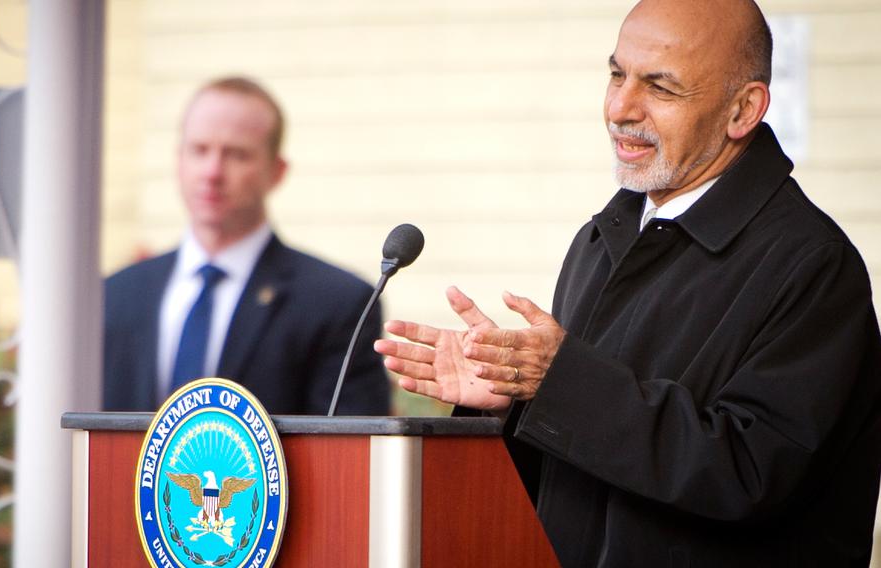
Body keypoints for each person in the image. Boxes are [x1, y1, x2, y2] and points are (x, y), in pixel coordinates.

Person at [374, 0, 881, 566]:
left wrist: (559, 383)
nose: (620, 107)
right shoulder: (603, 238)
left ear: (743, 110)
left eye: (660, 87)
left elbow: (752, 473)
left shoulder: (812, 265)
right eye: (617, 74)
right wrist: (508, 403)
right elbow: (575, 481)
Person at [104, 76, 389, 415]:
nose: (212, 171)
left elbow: (348, 456)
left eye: (236, 155)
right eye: (199, 150)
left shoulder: (338, 304)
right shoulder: (115, 294)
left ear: (277, 171)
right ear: (178, 160)